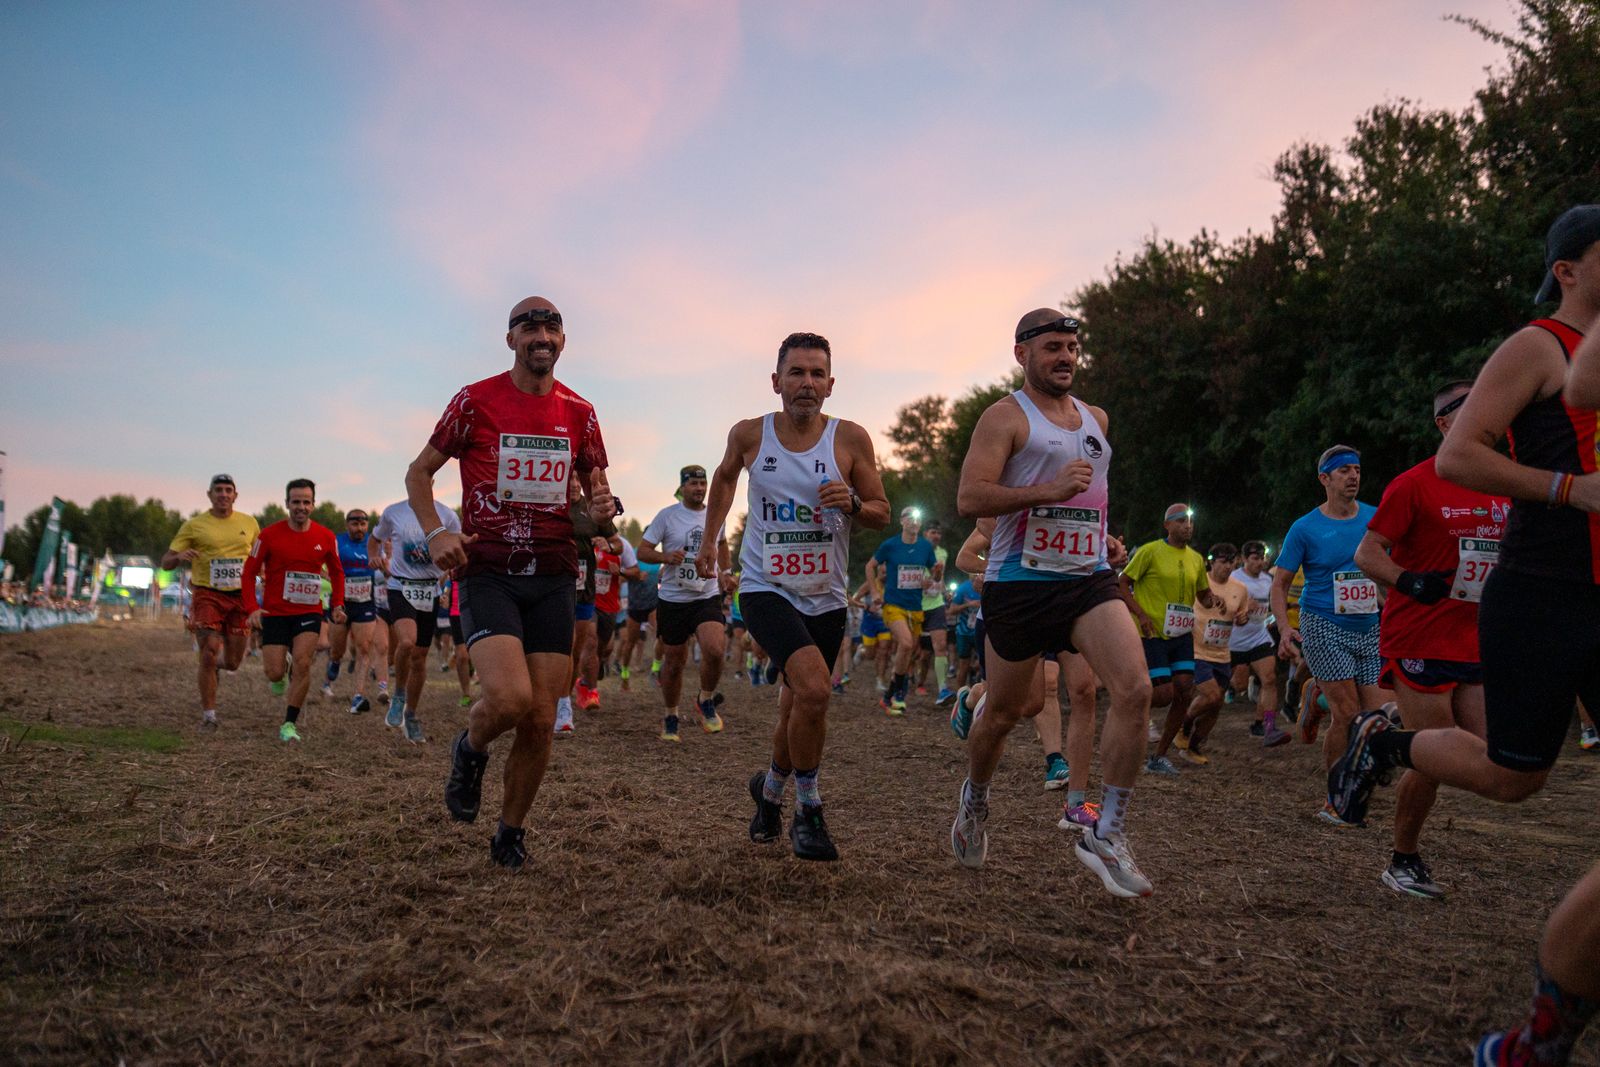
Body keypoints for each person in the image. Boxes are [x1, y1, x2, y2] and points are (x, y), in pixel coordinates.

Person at [1330, 206, 1600, 1064]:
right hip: (1542, 595)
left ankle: (1542, 1039)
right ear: (1569, 268)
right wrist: (1567, 491)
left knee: (1518, 773)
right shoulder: (1539, 347)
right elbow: (1459, 457)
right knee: (1516, 777)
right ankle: (1388, 743)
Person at [950, 308, 1154, 898]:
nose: (1064, 357)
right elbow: (970, 497)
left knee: (1134, 688)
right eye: (1052, 348)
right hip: (1019, 583)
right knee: (1007, 711)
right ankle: (976, 799)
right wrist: (1047, 490)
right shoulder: (1005, 418)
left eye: (1071, 347)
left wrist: (1104, 536)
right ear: (1022, 354)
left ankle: (1105, 834)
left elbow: (1091, 493)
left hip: (1086, 578)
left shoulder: (1096, 418)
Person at [422, 296, 614, 869]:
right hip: (489, 573)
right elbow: (418, 473)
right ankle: (471, 746)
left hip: (555, 575)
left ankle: (510, 832)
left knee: (539, 718)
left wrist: (603, 511)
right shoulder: (474, 402)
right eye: (529, 326)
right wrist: (436, 534)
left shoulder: (580, 412)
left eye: (552, 326)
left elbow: (594, 506)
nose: (542, 334)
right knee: (508, 700)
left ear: (562, 341)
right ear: (511, 339)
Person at [698, 331, 890, 860]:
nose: (806, 383)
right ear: (776, 380)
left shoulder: (850, 439)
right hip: (765, 588)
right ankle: (809, 811)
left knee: (797, 704)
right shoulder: (749, 434)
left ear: (831, 384)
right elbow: (723, 479)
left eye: (816, 374)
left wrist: (851, 501)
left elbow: (881, 510)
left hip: (825, 595)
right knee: (816, 690)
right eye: (796, 372)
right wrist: (712, 542)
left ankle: (770, 793)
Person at [1348, 380, 1507, 898]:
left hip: (1475, 638)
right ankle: (1403, 860)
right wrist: (1411, 581)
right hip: (1420, 635)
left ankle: (1384, 732)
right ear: (1444, 423)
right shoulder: (1415, 483)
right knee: (1434, 758)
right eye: (1471, 405)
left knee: (1486, 756)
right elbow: (1368, 555)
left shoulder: (1504, 485)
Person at [1270, 444, 1380, 824]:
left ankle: (1316, 697)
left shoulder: (1376, 517)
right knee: (1348, 714)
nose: (1353, 476)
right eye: (1344, 470)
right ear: (1325, 478)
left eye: (1357, 470)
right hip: (1322, 625)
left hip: (1370, 625)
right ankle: (1336, 798)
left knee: (1376, 716)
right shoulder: (1305, 528)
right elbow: (1280, 585)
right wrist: (1286, 629)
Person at [240, 479, 345, 742]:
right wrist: (252, 608)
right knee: (274, 673)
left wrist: (338, 604)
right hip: (275, 613)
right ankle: (280, 669)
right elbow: (248, 573)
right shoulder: (268, 535)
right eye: (296, 502)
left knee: (303, 663)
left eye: (306, 502)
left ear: (313, 504)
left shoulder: (325, 537)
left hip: (308, 612)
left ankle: (289, 724)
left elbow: (337, 572)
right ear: (287, 503)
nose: (301, 507)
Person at [1121, 504, 1221, 775]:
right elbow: (1122, 582)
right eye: (1180, 521)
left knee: (1185, 690)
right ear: (1167, 525)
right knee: (1163, 694)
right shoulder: (1149, 551)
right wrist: (1140, 614)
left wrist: (1212, 599)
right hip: (1153, 632)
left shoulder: (1196, 559)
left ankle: (1159, 755)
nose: (1187, 526)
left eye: (1190, 522)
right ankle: (1129, 708)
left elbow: (1203, 594)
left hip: (1181, 633)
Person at [161, 474, 260, 729]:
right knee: (208, 652)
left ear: (235, 495)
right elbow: (166, 562)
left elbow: (260, 557)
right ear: (209, 494)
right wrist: (180, 555)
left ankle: (215, 666)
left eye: (228, 490)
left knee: (233, 662)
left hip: (240, 596)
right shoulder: (194, 525)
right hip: (207, 594)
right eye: (219, 490)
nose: (223, 494)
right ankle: (209, 715)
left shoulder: (249, 523)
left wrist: (265, 574)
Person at [639, 466, 730, 742]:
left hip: (706, 593)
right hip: (674, 598)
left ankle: (705, 699)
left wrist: (726, 573)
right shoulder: (667, 516)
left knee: (715, 649)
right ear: (682, 488)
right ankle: (670, 715)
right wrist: (666, 557)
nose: (699, 488)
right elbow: (643, 550)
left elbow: (723, 543)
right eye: (693, 484)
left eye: (703, 483)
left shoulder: (715, 514)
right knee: (675, 661)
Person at [371, 492, 460, 744]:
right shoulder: (393, 512)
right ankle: (399, 693)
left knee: (420, 658)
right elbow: (374, 539)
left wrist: (449, 575)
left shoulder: (447, 515)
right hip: (400, 586)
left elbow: (455, 546)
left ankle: (410, 714)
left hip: (430, 589)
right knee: (407, 643)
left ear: (431, 482)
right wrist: (373, 556)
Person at [1172, 544, 1250, 765]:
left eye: (1231, 563)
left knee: (1216, 706)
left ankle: (1193, 746)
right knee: (1212, 695)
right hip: (1196, 650)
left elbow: (1241, 615)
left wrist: (1242, 619)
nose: (1227, 567)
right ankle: (1184, 727)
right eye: (1223, 562)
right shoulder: (1200, 582)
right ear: (1212, 562)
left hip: (1222, 653)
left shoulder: (1240, 588)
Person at [867, 508, 942, 714]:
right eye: (910, 517)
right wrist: (875, 592)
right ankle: (900, 693)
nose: (914, 521)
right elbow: (870, 566)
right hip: (893, 605)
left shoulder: (926, 547)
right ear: (902, 521)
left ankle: (889, 694)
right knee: (906, 642)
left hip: (915, 608)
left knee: (908, 650)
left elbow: (934, 578)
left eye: (918, 518)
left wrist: (937, 573)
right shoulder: (890, 545)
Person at [1228, 541, 1288, 747]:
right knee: (1239, 685)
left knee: (1269, 679)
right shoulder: (1234, 578)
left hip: (1258, 636)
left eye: (1262, 558)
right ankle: (1228, 687)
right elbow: (1220, 604)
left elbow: (1274, 603)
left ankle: (1265, 726)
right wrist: (1241, 606)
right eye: (1254, 558)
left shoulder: (1268, 579)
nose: (1260, 563)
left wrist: (1274, 620)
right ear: (1244, 559)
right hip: (1233, 639)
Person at [327, 509, 379, 715]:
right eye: (354, 524)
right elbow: (323, 565)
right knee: (337, 649)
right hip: (340, 602)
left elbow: (386, 565)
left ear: (367, 525)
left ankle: (358, 695)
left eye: (363, 524)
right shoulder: (337, 542)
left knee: (364, 648)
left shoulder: (374, 544)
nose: (359, 528)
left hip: (365, 602)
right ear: (347, 524)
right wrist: (332, 578)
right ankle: (335, 661)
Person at [918, 520, 955, 704]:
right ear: (925, 534)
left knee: (940, 647)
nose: (936, 536)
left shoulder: (943, 553)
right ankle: (903, 683)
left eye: (938, 533)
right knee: (915, 652)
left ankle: (942, 690)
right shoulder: (914, 549)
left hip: (936, 604)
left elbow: (941, 579)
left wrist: (946, 590)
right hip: (915, 604)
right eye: (933, 532)